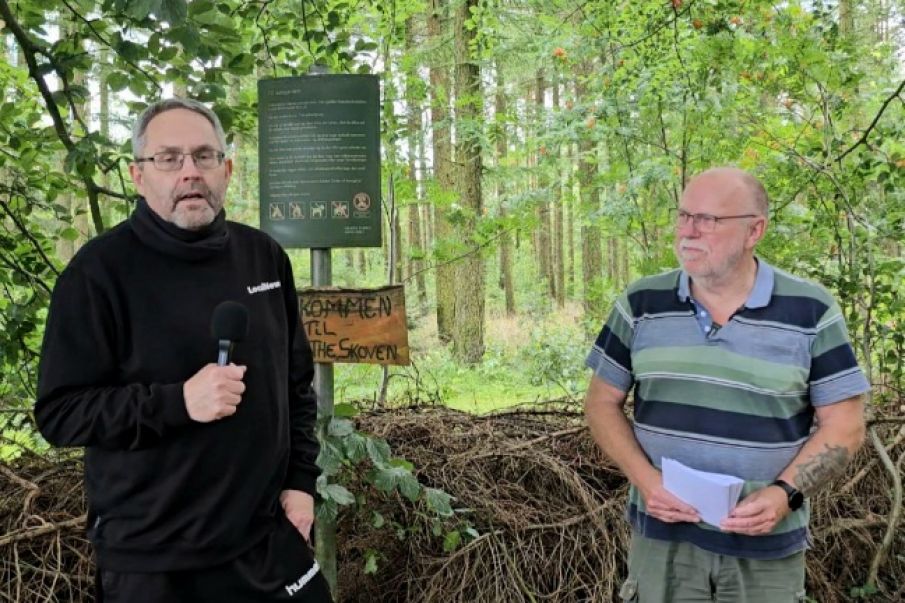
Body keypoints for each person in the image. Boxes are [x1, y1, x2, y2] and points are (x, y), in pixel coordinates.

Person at [35, 98, 333, 602]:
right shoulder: (99, 274)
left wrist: (302, 483)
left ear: (228, 169)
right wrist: (177, 403)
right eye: (168, 158)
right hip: (155, 561)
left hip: (266, 541)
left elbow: (294, 384)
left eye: (204, 156)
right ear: (137, 174)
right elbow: (60, 414)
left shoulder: (263, 257)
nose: (189, 172)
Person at [584, 167, 869, 602]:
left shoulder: (810, 311)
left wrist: (784, 494)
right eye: (683, 216)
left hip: (765, 552)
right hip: (663, 544)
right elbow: (602, 403)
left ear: (755, 230)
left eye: (708, 220)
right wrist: (646, 480)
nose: (688, 232)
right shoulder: (641, 304)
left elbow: (845, 427)